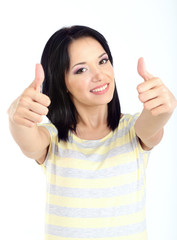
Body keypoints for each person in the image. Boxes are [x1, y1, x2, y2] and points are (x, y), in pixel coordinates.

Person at [8, 25, 177, 240]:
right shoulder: (52, 138)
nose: (99, 75)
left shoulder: (132, 129)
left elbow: (151, 125)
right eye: (81, 69)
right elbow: (28, 142)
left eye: (103, 61)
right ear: (63, 82)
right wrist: (16, 117)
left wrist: (163, 108)